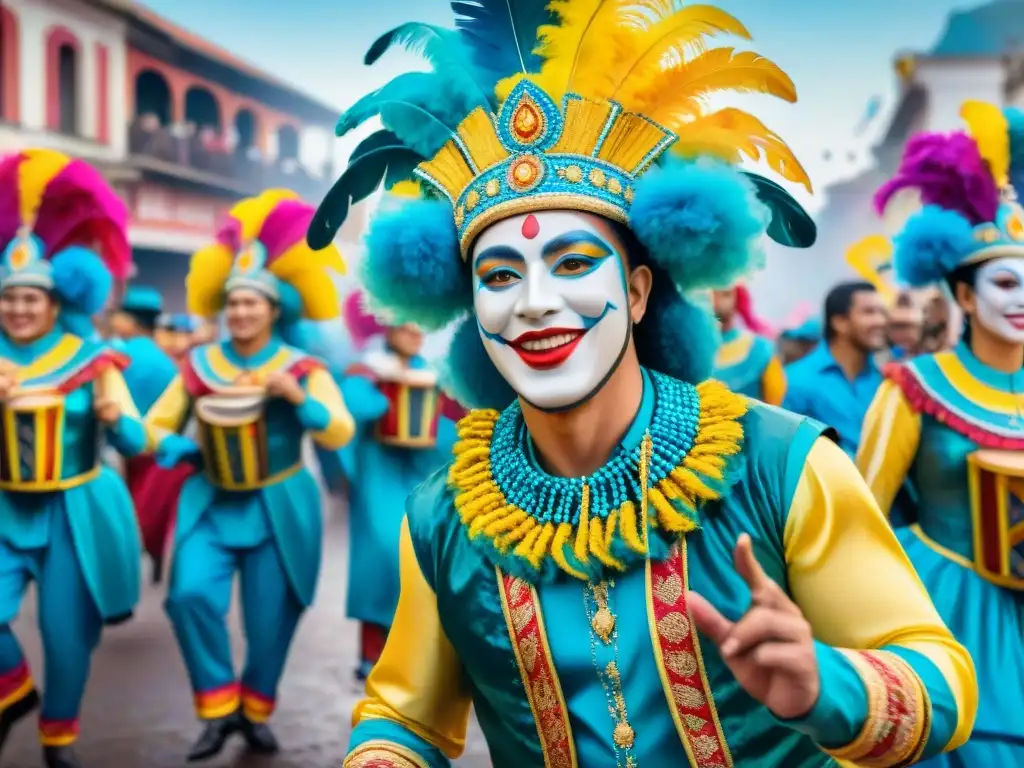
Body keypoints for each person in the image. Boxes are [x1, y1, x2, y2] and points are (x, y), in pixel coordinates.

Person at [310, 3, 976, 766]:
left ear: (634, 293)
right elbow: (407, 718)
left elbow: (941, 682)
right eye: (499, 275)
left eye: (570, 264)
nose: (533, 302)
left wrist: (829, 684)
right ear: (469, 309)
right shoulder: (445, 516)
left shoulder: (782, 467)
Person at [145, 190, 355, 761]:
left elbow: (338, 430)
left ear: (275, 309)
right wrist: (177, 449)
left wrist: (300, 400)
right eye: (233, 303)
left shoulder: (301, 367)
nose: (240, 313)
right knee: (187, 595)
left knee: (272, 621)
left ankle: (256, 707)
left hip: (278, 507)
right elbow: (155, 426)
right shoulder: (199, 365)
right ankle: (216, 706)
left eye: (252, 304)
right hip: (209, 503)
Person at [857, 102, 1024, 766]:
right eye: (1006, 282)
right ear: (961, 296)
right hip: (947, 607)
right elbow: (857, 516)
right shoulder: (914, 386)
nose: (1022, 299)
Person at [0, 149, 146, 768]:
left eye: (31, 299)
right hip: (5, 511)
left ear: (57, 301)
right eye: (9, 299)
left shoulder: (94, 359)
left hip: (71, 514)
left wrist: (119, 419)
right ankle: (13, 691)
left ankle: (58, 740)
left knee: (67, 639)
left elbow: (136, 442)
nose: (19, 309)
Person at [338, 291, 457, 681]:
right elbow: (353, 410)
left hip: (426, 477)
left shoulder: (437, 373)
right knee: (385, 557)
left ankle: (425, 653)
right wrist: (384, 388)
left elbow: (448, 431)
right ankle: (374, 652)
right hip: (379, 476)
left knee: (427, 560)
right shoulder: (365, 370)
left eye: (417, 326)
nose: (413, 333)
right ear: (386, 327)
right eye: (405, 325)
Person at [109, 284, 186, 582]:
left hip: (127, 445)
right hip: (159, 449)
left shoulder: (117, 357)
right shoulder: (165, 360)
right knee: (152, 507)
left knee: (126, 509)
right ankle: (153, 560)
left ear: (130, 320)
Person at [782, 281, 886, 456]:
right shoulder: (797, 381)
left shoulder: (885, 381)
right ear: (840, 322)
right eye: (869, 312)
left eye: (883, 312)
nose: (881, 321)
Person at [712, 283, 786, 404]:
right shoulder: (683, 352)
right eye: (709, 294)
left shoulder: (761, 349)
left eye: (725, 293)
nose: (716, 300)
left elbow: (777, 413)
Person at [885, 290, 924, 361]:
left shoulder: (924, 358)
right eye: (898, 327)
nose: (906, 333)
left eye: (912, 327)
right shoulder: (881, 356)